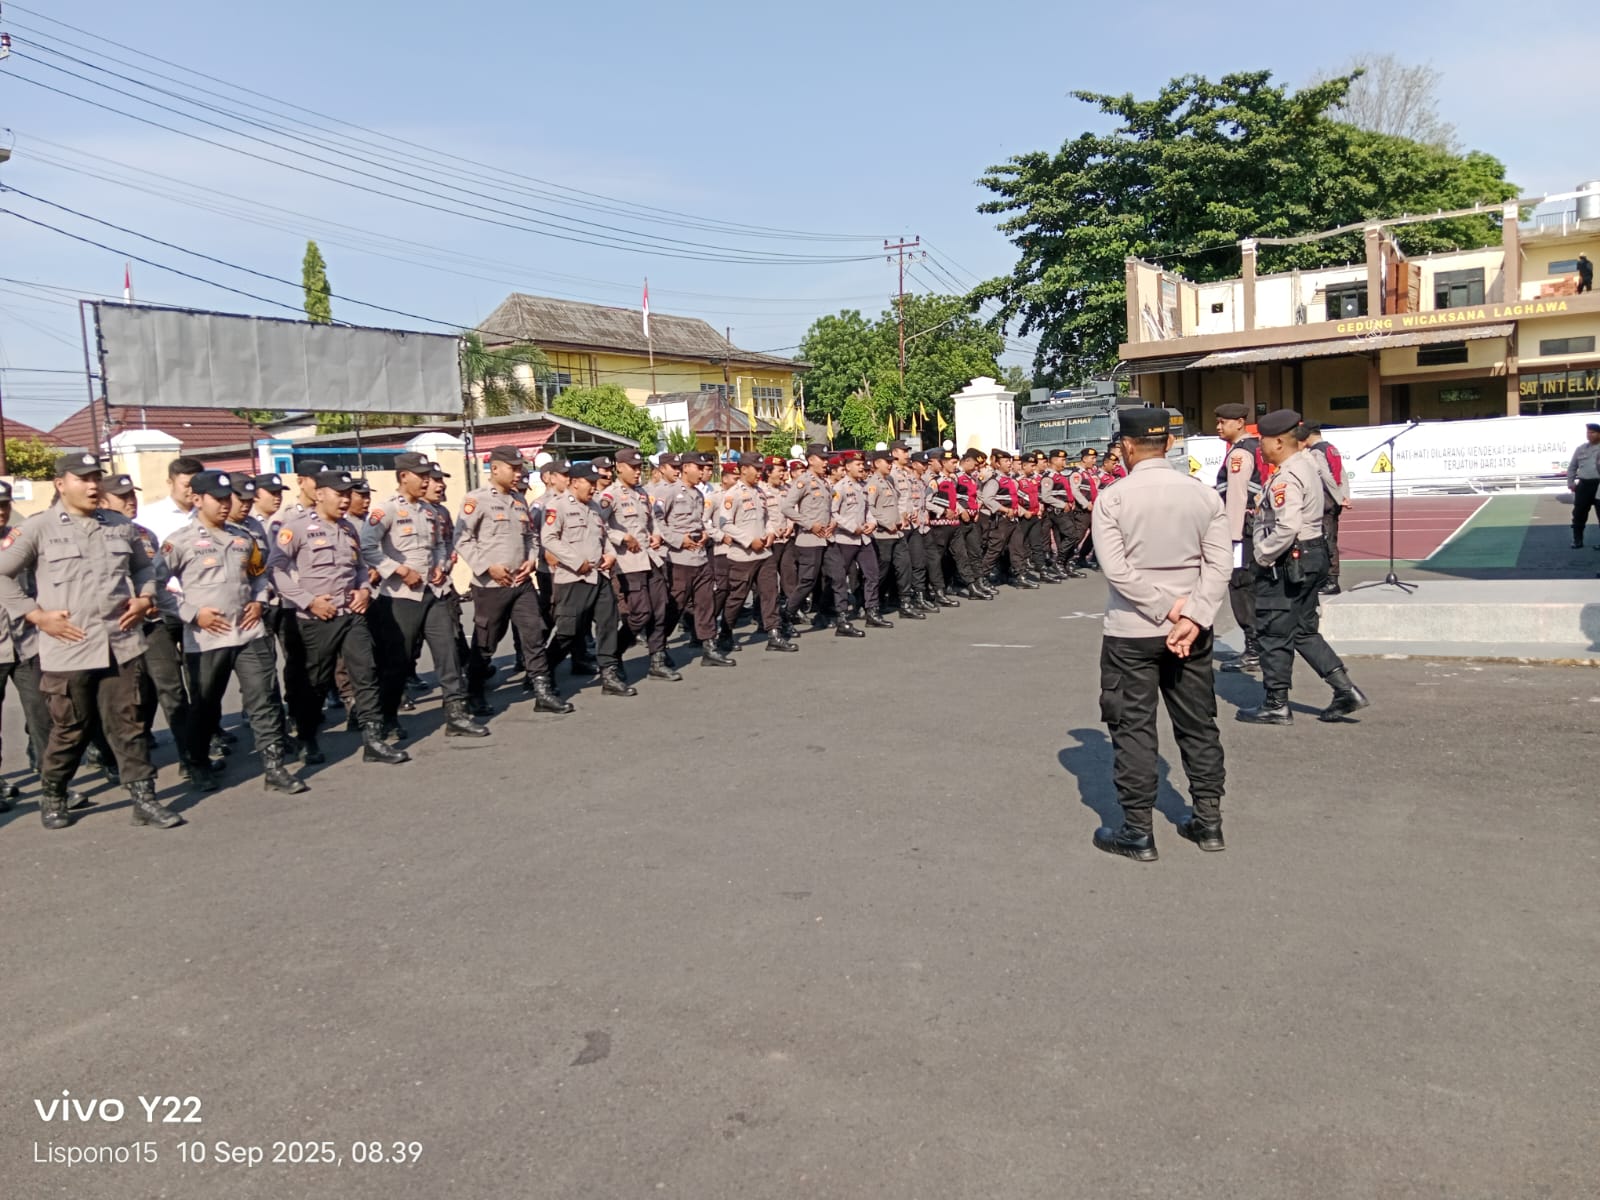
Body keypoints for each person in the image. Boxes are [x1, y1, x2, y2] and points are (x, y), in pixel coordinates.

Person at [0, 452, 183, 829]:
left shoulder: (120, 525)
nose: (92, 485)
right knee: (71, 728)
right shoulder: (38, 528)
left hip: (121, 643)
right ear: (60, 484)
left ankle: (144, 799)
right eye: (82, 478)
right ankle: (54, 793)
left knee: (129, 725)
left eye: (96, 477)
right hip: (69, 648)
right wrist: (36, 616)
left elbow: (144, 567)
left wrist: (145, 597)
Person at [1089, 408, 1232, 862]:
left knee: (1133, 729)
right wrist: (1194, 614)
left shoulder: (1113, 499)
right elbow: (1220, 564)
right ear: (1168, 444)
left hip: (1133, 630)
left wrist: (1163, 608)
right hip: (1192, 630)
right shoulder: (1203, 495)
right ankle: (1208, 821)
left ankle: (1138, 831)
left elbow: (1116, 570)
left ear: (1126, 447)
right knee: (1198, 723)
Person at [159, 470, 307, 795]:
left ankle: (274, 767)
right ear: (197, 499)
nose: (225, 505)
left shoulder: (243, 538)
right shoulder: (179, 541)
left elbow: (259, 575)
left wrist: (259, 600)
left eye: (228, 498)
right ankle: (198, 764)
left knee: (264, 699)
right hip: (207, 638)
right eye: (218, 499)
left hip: (249, 632)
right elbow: (156, 586)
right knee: (205, 705)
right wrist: (192, 614)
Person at [1237, 410, 1370, 726]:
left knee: (1273, 630)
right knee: (1302, 630)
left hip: (1288, 560)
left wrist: (1262, 556)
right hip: (1311, 554)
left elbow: (1287, 526)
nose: (1260, 447)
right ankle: (1345, 690)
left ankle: (1276, 704)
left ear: (1279, 442)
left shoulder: (1287, 476)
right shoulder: (1307, 464)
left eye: (1263, 441)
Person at [268, 469, 408, 766]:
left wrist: (364, 590)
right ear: (320, 494)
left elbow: (359, 567)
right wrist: (308, 601)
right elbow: (275, 570)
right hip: (316, 618)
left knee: (365, 672)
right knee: (315, 682)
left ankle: (374, 740)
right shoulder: (296, 527)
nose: (345, 500)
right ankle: (307, 737)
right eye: (339, 494)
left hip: (351, 613)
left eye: (348, 495)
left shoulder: (348, 529)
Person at [362, 452, 488, 740]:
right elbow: (367, 548)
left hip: (435, 593)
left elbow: (441, 544)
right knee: (398, 661)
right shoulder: (386, 510)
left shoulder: (430, 511)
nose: (426, 481)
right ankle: (388, 718)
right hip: (401, 596)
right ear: (403, 476)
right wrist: (399, 570)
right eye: (421, 476)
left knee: (448, 655)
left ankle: (456, 715)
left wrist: (442, 566)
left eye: (428, 476)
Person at [453, 445, 572, 716]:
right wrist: (486, 567)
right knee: (486, 642)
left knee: (533, 635)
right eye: (513, 468)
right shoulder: (476, 500)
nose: (519, 473)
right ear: (495, 469)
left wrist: (530, 560)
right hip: (491, 586)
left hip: (521, 583)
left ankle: (542, 691)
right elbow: (461, 538)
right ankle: (474, 692)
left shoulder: (519, 500)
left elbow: (531, 537)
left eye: (520, 468)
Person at [543, 463, 634, 696]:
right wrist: (576, 561)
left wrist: (611, 555)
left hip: (599, 575)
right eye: (590, 483)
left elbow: (604, 537)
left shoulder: (594, 507)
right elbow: (549, 539)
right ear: (575, 482)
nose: (594, 487)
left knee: (608, 623)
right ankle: (544, 672)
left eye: (595, 483)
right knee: (569, 631)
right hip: (573, 578)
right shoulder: (557, 506)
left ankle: (609, 675)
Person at [600, 447, 681, 680]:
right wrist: (622, 537)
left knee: (660, 610)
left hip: (650, 558)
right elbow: (599, 525)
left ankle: (657, 660)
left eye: (639, 467)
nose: (637, 472)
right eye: (633, 468)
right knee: (640, 614)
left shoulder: (642, 493)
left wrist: (656, 534)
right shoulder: (609, 496)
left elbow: (653, 520)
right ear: (619, 468)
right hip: (628, 563)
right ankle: (614, 654)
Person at [714, 452, 798, 653]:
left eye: (761, 469)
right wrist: (748, 540)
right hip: (743, 555)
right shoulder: (732, 494)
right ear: (744, 470)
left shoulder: (760, 492)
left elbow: (766, 518)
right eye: (756, 469)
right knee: (737, 597)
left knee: (770, 593)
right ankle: (725, 633)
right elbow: (725, 524)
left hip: (764, 553)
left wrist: (770, 532)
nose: (760, 473)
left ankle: (774, 634)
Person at [659, 451, 732, 667]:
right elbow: (657, 523)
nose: (702, 472)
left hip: (700, 558)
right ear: (686, 468)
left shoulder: (698, 494)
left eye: (704, 468)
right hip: (679, 560)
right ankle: (659, 648)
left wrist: (705, 533)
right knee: (675, 606)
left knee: (706, 603)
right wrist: (678, 540)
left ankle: (709, 648)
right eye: (699, 468)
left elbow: (699, 521)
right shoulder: (669, 492)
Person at [1212, 403, 1266, 672]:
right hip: (1253, 529)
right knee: (1251, 587)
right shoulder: (1254, 447)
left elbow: (1236, 496)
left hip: (1241, 532)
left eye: (1223, 422)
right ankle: (1259, 647)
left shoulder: (1240, 454)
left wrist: (1231, 538)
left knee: (1241, 588)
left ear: (1240, 422)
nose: (1218, 427)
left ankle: (1254, 650)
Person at [825, 451, 889, 636]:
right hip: (845, 539)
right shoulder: (840, 488)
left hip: (864, 538)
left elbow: (868, 509)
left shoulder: (864, 486)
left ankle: (872, 612)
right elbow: (833, 513)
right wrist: (852, 527)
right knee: (838, 578)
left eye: (862, 464)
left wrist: (872, 523)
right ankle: (832, 612)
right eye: (857, 464)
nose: (862, 467)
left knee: (872, 573)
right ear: (847, 467)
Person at [781, 445, 836, 628]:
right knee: (807, 580)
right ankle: (787, 614)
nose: (826, 462)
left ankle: (825, 613)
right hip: (809, 539)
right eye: (822, 459)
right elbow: (786, 507)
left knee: (835, 576)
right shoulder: (803, 481)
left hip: (827, 538)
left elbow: (829, 509)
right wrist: (809, 524)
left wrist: (833, 521)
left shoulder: (824, 482)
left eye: (827, 459)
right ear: (811, 460)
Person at [866, 450, 922, 619]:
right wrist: (885, 522)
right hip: (882, 535)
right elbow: (869, 507)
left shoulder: (889, 480)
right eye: (887, 462)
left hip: (897, 533)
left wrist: (902, 516)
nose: (890, 465)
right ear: (877, 463)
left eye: (891, 462)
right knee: (881, 573)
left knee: (904, 567)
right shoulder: (873, 483)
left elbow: (897, 503)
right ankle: (872, 604)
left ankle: (905, 603)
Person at [1301, 424, 1350, 595]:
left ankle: (1331, 581)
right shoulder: (1331, 448)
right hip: (1334, 499)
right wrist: (1344, 495)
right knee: (1330, 538)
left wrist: (1338, 497)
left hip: (1326, 500)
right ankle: (1328, 579)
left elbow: (1325, 476)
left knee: (1327, 540)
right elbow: (1342, 474)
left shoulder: (1316, 452)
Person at [1566, 423, 1600, 549]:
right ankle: (1577, 540)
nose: (1589, 435)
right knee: (1578, 514)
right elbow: (1572, 467)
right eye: (1588, 432)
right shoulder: (1581, 449)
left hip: (1599, 485)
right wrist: (1571, 482)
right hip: (1584, 485)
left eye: (1593, 432)